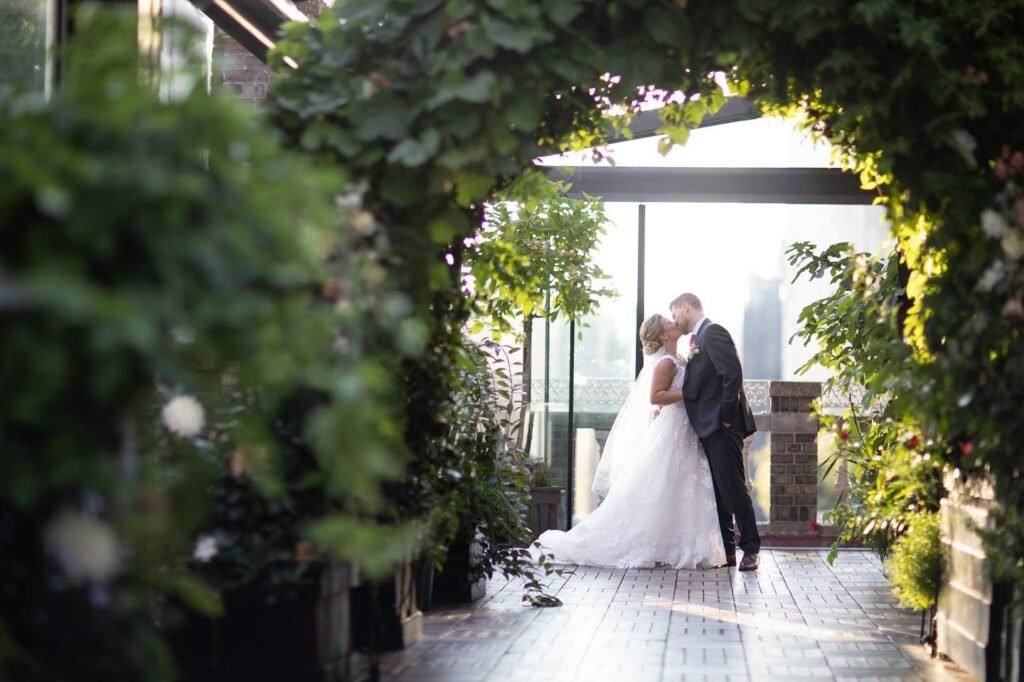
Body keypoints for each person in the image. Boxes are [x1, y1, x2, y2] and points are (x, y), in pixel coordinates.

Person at [532, 314, 726, 570]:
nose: (673, 321)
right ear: (663, 336)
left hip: (684, 430)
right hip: (672, 431)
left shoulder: (679, 359)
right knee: (661, 485)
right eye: (669, 321)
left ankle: (673, 544)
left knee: (678, 487)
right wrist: (690, 394)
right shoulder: (666, 364)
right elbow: (655, 397)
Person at [671, 293, 760, 572]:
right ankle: (728, 550)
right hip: (709, 428)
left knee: (733, 487)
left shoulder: (713, 332)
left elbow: (732, 375)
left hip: (723, 426)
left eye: (675, 314)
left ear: (686, 307)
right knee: (719, 490)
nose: (675, 320)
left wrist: (724, 417)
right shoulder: (699, 338)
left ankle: (751, 550)